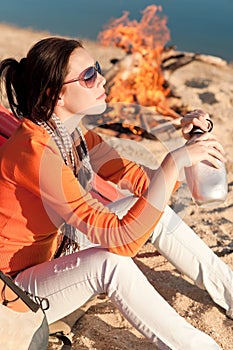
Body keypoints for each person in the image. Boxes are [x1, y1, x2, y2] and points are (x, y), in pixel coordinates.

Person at [0, 36, 232, 350]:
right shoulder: (37, 154)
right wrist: (174, 163)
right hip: (16, 288)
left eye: (96, 69)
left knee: (154, 211)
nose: (103, 78)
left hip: (54, 250)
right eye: (88, 76)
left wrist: (185, 148)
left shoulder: (72, 135)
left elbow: (145, 184)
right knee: (110, 264)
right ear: (55, 94)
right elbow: (122, 241)